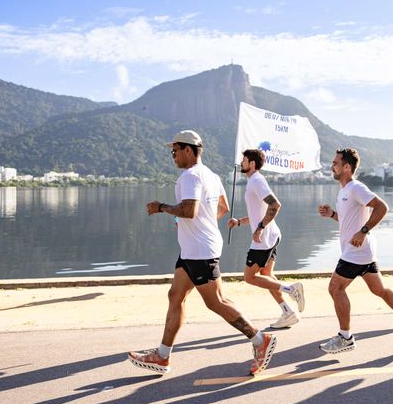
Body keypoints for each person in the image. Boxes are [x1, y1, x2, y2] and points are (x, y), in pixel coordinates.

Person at [128, 130, 276, 375]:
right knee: (175, 295)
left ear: (188, 150)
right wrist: (203, 225)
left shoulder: (190, 176)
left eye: (175, 151)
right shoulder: (210, 175)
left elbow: (189, 210)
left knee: (216, 302)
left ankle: (260, 341)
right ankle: (162, 356)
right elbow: (223, 208)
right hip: (193, 249)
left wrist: (161, 207)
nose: (172, 155)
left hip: (199, 252)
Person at [317, 148, 393, 354]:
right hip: (362, 250)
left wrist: (363, 231)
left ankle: (345, 337)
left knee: (335, 288)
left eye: (335, 163)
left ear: (347, 167)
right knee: (379, 290)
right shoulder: (344, 191)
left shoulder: (356, 187)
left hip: (355, 252)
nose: (332, 166)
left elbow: (382, 207)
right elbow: (349, 221)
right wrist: (332, 214)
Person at [227, 149, 305, 329]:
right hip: (271, 236)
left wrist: (260, 228)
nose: (241, 163)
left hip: (264, 240)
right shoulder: (253, 182)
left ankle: (291, 290)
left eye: (244, 160)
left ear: (252, 164)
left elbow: (275, 205)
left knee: (249, 277)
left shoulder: (256, 180)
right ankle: (288, 312)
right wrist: (239, 222)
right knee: (266, 276)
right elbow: (258, 214)